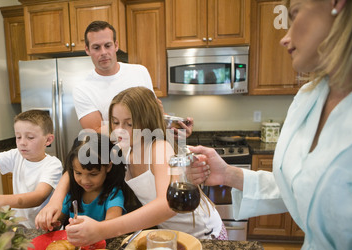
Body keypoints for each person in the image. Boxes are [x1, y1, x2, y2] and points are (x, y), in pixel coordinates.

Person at [191, 0, 352, 250]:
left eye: (294, 16)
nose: (284, 36)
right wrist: (230, 175)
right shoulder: (309, 97)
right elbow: (303, 185)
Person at [36, 86, 226, 242]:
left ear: (147, 121)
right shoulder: (122, 145)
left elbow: (167, 205)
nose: (120, 130)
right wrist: (55, 201)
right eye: (115, 122)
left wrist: (102, 229)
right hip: (174, 236)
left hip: (205, 235)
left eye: (129, 123)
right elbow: (79, 162)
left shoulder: (158, 147)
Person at [73, 20, 194, 136]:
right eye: (96, 47)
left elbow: (156, 114)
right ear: (87, 50)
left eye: (107, 45)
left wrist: (176, 127)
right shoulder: (82, 88)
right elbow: (97, 132)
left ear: (116, 46)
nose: (103, 52)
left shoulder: (140, 71)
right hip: (113, 155)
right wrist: (142, 118)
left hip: (148, 150)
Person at [53, 133, 127, 228]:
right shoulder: (72, 192)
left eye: (93, 174)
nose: (84, 181)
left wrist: (93, 229)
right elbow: (57, 223)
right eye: (78, 173)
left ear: (108, 166)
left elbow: (113, 224)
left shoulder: (113, 194)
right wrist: (51, 223)